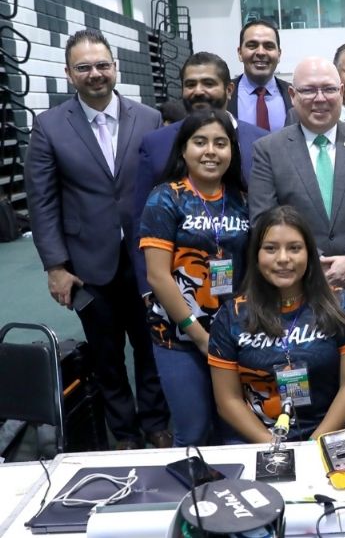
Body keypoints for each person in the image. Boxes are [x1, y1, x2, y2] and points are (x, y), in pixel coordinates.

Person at [24, 29, 170, 449]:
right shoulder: (50, 126)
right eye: (84, 67)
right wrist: (55, 267)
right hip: (88, 264)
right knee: (107, 356)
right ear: (70, 74)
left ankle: (156, 424)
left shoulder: (148, 118)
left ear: (116, 68)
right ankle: (123, 433)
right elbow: (43, 202)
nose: (95, 74)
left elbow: (164, 189)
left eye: (102, 65)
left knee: (151, 345)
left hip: (147, 260)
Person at [248, 56, 345, 428]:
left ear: (342, 92)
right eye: (309, 90)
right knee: (310, 392)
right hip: (295, 293)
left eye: (329, 89)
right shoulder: (269, 149)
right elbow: (262, 219)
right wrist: (307, 264)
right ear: (292, 95)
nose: (320, 98)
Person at [208, 205, 345, 442]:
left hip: (331, 434)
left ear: (309, 254)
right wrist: (272, 445)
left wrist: (315, 443)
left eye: (294, 248)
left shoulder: (341, 305)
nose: (283, 259)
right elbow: (228, 401)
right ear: (256, 255)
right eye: (271, 249)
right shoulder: (231, 315)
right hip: (258, 438)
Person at [140, 110, 249, 446]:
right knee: (194, 430)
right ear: (183, 149)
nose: (210, 151)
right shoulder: (165, 197)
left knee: (237, 428)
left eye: (220, 143)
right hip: (180, 337)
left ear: (232, 151)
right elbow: (158, 277)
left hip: (234, 336)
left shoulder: (242, 199)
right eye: (199, 142)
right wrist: (200, 337)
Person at [134, 52, 269, 298]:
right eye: (190, 84)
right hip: (175, 293)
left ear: (229, 89)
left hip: (247, 289)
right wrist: (147, 290)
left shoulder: (262, 141)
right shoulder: (155, 144)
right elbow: (138, 223)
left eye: (208, 83)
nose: (198, 91)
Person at [228, 20, 292, 132]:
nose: (261, 52)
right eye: (252, 46)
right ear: (240, 53)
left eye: (269, 46)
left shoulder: (295, 95)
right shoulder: (224, 95)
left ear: (279, 54)